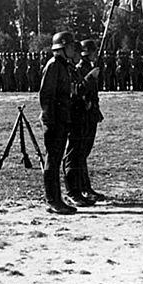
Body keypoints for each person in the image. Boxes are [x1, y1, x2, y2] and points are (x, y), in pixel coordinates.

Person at [39, 31, 78, 215]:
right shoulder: (54, 65)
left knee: (55, 159)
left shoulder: (63, 65)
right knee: (52, 160)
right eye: (70, 46)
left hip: (62, 119)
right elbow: (46, 95)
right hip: (54, 120)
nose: (73, 49)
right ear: (62, 47)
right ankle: (53, 200)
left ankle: (56, 198)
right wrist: (51, 120)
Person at [75, 39, 105, 202]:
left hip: (91, 113)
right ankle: (82, 188)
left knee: (84, 152)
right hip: (84, 114)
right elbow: (81, 90)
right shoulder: (81, 69)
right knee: (81, 153)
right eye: (93, 52)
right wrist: (91, 76)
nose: (95, 54)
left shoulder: (89, 67)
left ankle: (86, 187)